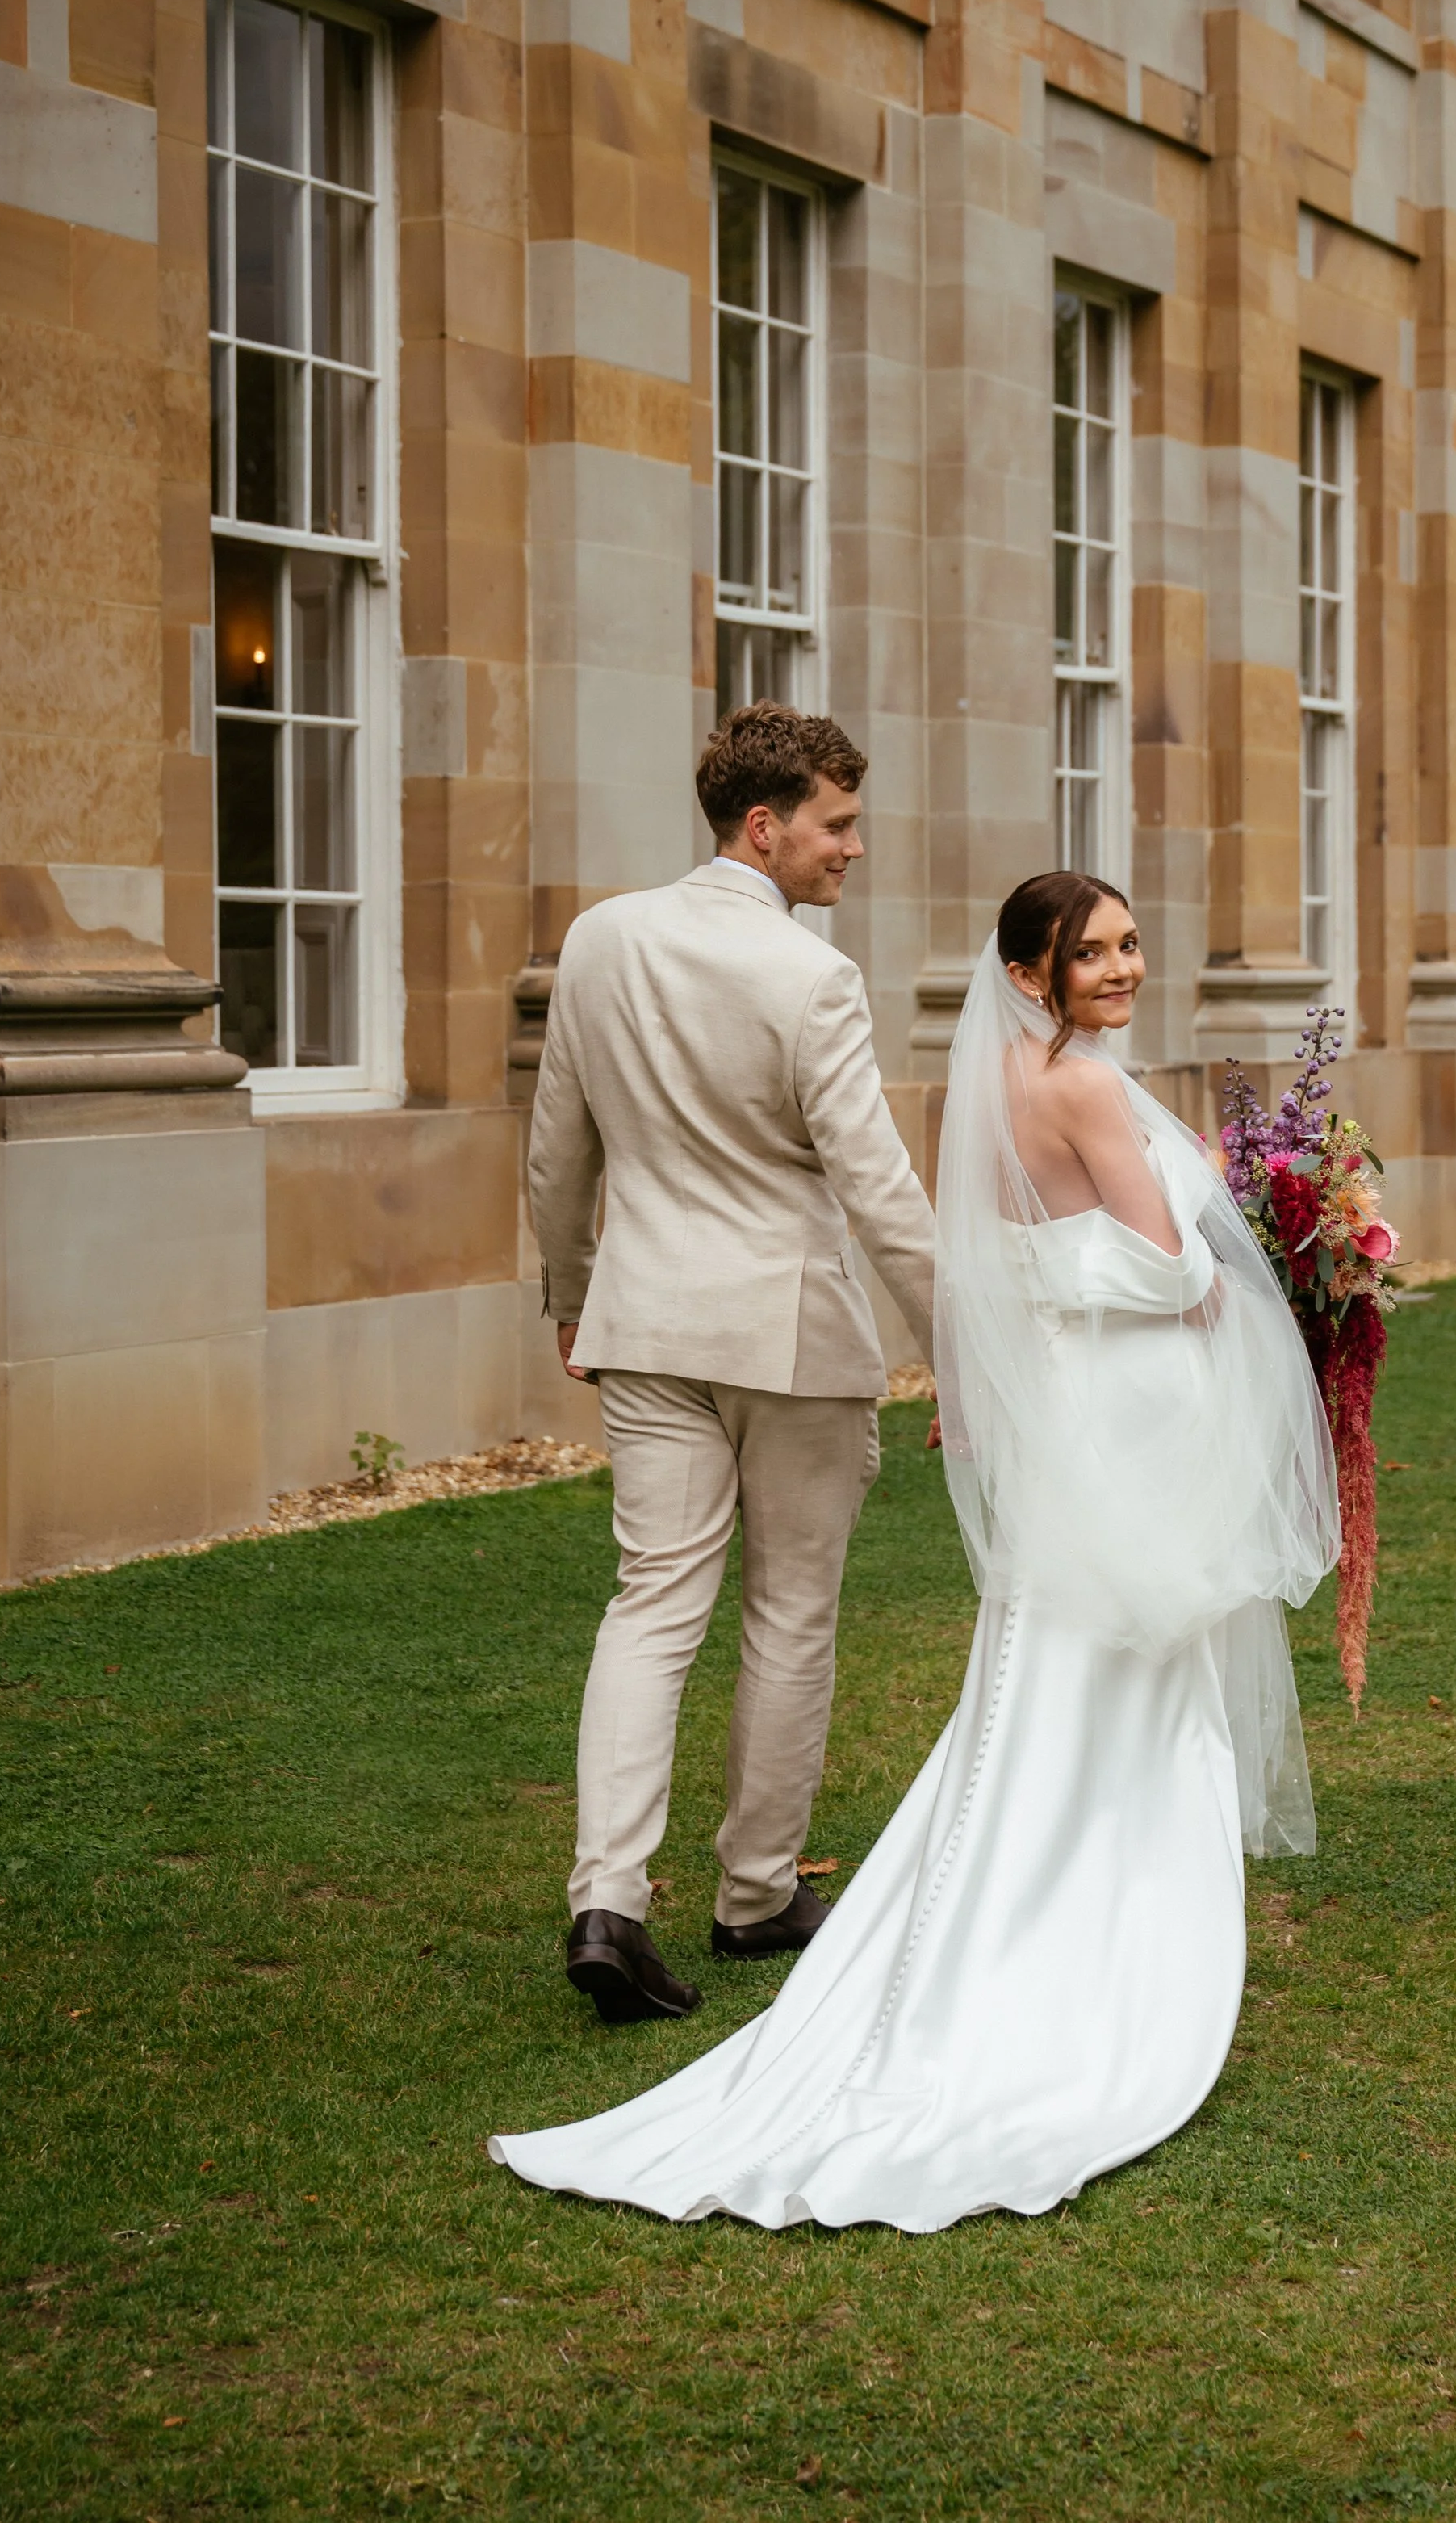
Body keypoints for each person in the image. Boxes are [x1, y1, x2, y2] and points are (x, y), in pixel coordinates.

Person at [492, 872, 1339, 2230]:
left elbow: (998, 1250)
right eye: (1096, 952)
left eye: (1133, 943)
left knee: (1017, 1665)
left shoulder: (983, 1084)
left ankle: (726, 1894)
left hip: (1013, 1396)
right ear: (1032, 970)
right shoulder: (1087, 1088)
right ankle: (1076, 1925)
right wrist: (1272, 1262)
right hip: (1101, 1400)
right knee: (1098, 1655)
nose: (1124, 968)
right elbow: (1170, 1268)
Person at [527, 702, 937, 2025]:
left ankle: (608, 1899)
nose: (854, 849)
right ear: (763, 826)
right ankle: (756, 1892)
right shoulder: (813, 977)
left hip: (643, 1324)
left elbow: (557, 1151)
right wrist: (964, 1350)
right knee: (789, 1611)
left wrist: (571, 1296)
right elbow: (877, 1190)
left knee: (651, 1605)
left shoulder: (599, 939)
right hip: (790, 1334)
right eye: (837, 823)